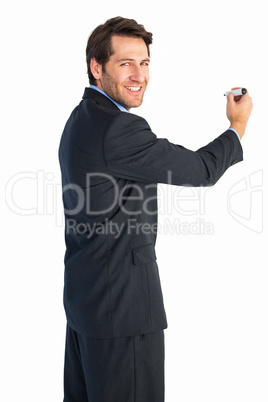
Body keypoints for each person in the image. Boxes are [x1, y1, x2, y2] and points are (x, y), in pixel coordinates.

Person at [58, 16, 253, 402]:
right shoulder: (117, 129)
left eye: (144, 63)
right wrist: (236, 127)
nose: (139, 75)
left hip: (88, 309)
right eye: (125, 63)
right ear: (97, 68)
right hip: (123, 316)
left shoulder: (80, 119)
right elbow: (200, 170)